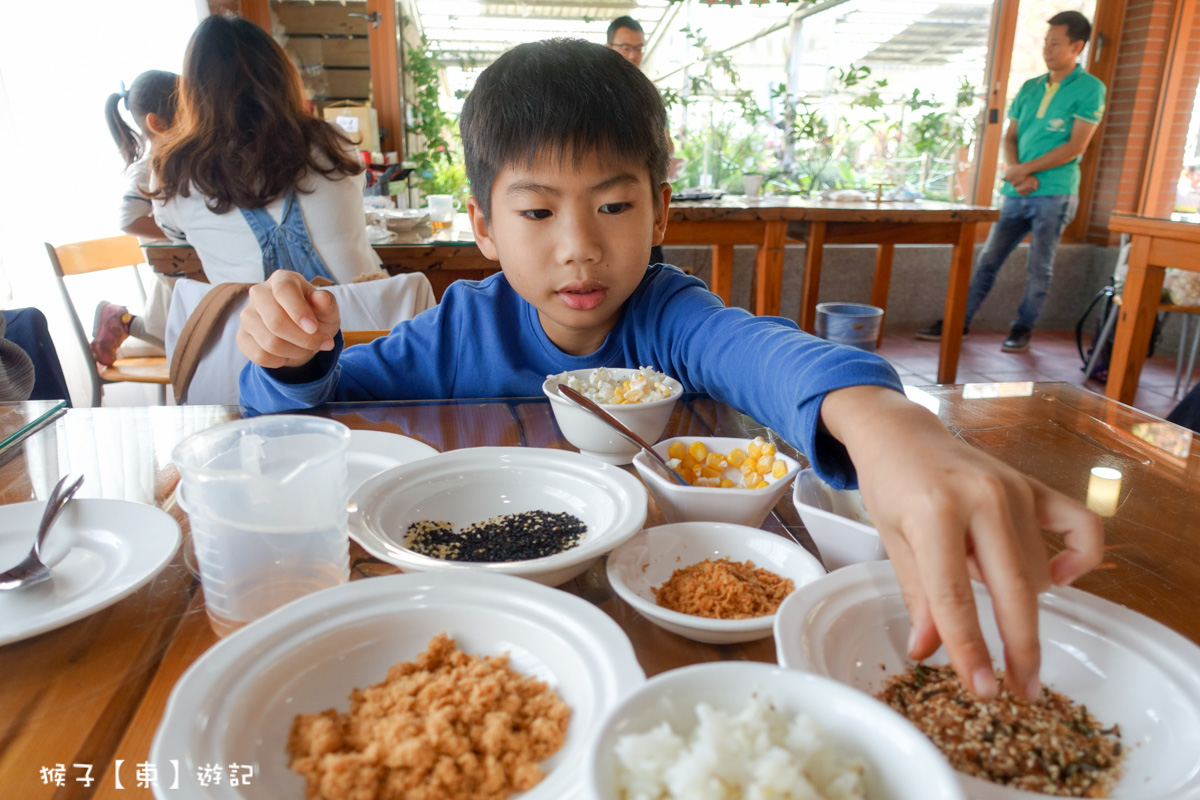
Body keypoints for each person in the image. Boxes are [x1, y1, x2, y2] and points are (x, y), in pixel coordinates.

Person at [237, 39, 1103, 701]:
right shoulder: (461, 326)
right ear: (485, 226)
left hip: (649, 623)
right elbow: (315, 407)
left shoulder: (667, 313)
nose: (579, 248)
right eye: (537, 210)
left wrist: (886, 421)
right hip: (462, 616)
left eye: (614, 205)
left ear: (661, 209)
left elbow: (759, 352)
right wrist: (291, 356)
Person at [917, 11, 1105, 353]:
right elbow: (1010, 136)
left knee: (1039, 266)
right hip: (1017, 191)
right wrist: (1018, 172)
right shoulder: (1031, 87)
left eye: (1055, 43)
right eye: (1046, 43)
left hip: (1055, 193)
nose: (1047, 50)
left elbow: (1076, 145)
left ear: (1077, 46)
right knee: (988, 259)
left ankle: (1021, 328)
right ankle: (958, 322)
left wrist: (1024, 171)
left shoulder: (1091, 88)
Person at [150, 15, 383, 288]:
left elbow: (177, 235)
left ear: (192, 91)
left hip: (250, 329)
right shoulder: (332, 142)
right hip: (369, 326)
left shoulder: (173, 172)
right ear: (282, 75)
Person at [90, 70, 180, 367]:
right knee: (181, 340)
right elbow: (127, 219)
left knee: (175, 336)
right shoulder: (148, 166)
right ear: (157, 123)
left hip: (180, 262)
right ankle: (121, 319)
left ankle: (121, 320)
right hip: (172, 261)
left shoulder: (171, 162)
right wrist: (179, 232)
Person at [606, 15, 674, 266]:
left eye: (638, 48)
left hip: (639, 197)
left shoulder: (649, 95)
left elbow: (667, 145)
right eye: (625, 48)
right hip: (604, 199)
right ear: (608, 48)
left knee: (647, 268)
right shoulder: (594, 92)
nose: (633, 55)